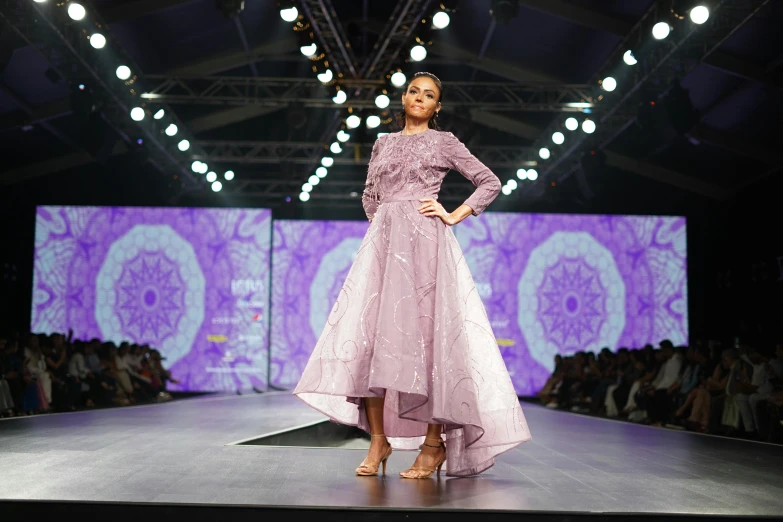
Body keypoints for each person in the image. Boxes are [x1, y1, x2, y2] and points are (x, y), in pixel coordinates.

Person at [294, 72, 531, 479]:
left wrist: (453, 214)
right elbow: (370, 194)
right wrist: (387, 225)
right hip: (385, 249)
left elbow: (489, 182)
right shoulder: (383, 143)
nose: (420, 98)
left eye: (429, 95)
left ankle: (433, 445)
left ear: (437, 107)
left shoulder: (444, 141)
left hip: (425, 247)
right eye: (414, 92)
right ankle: (378, 441)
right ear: (404, 98)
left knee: (429, 341)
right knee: (371, 342)